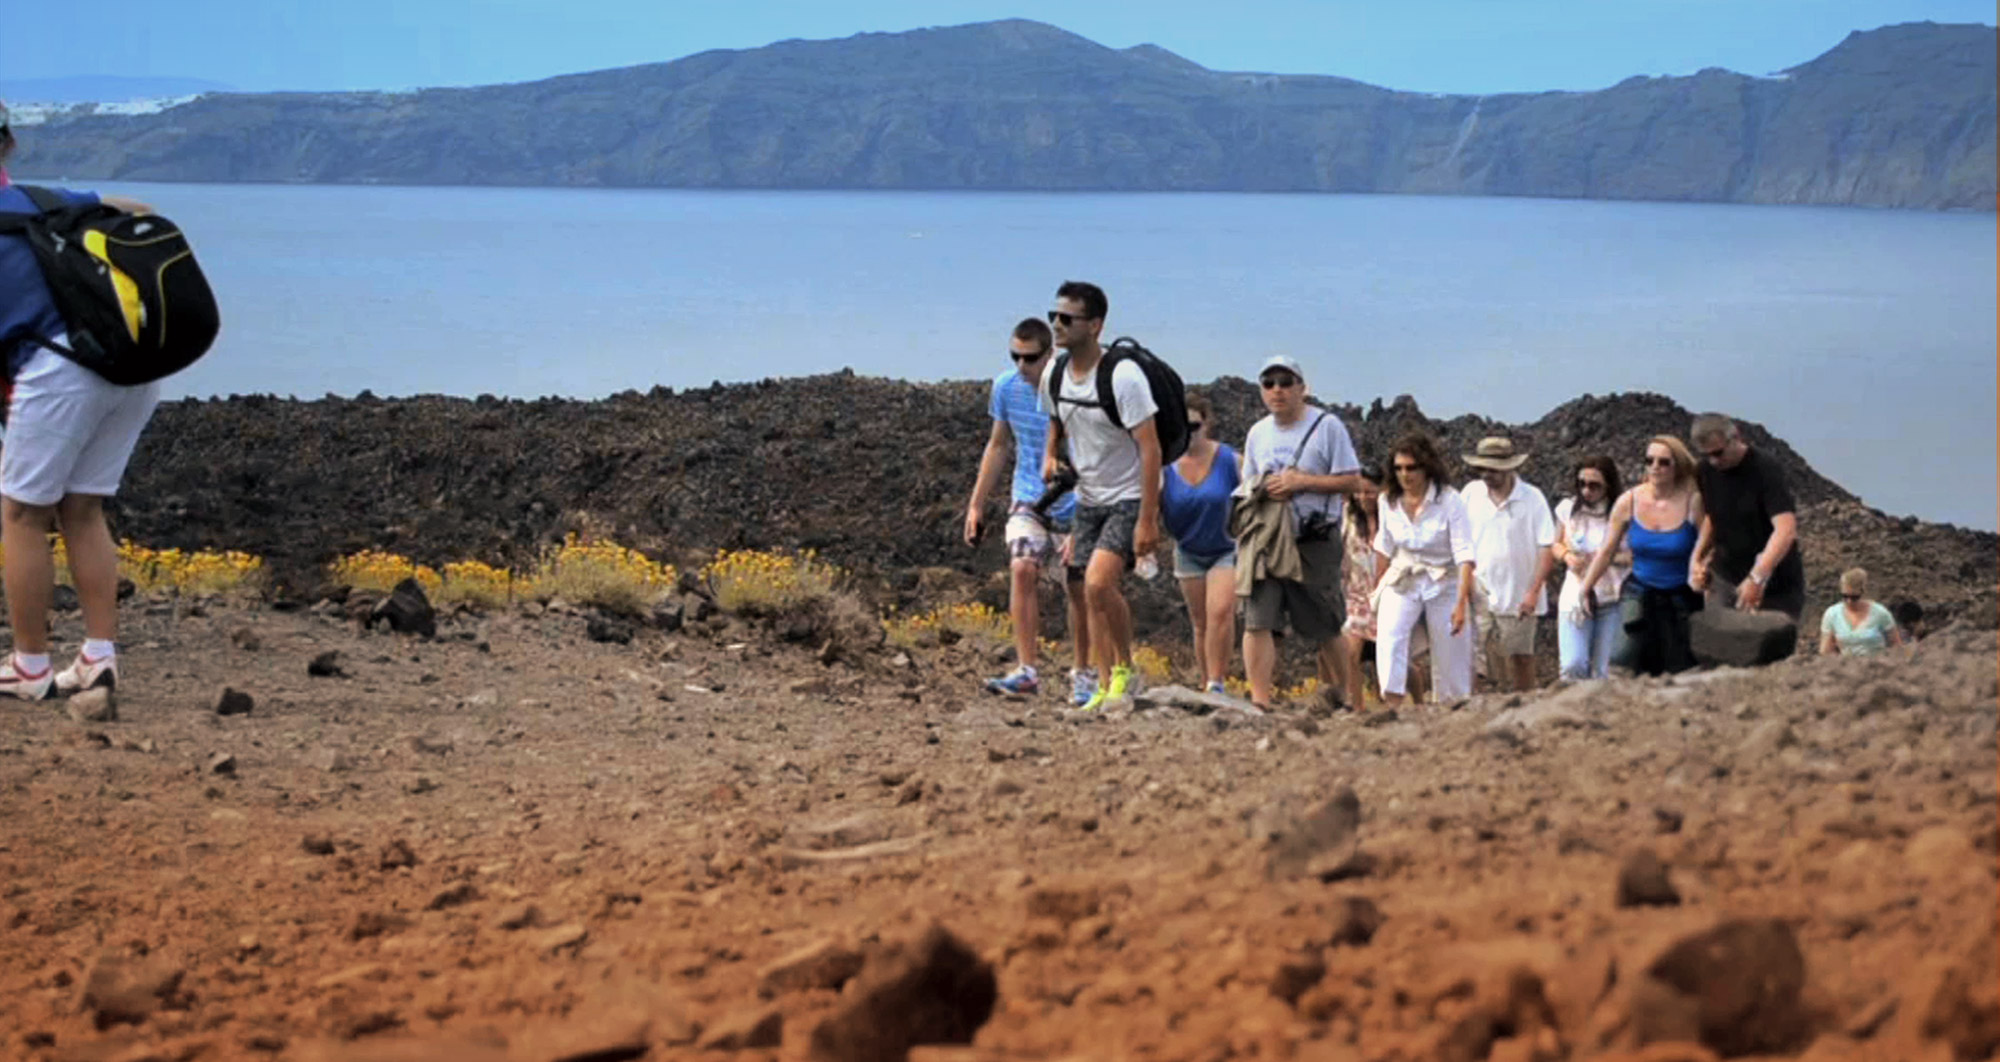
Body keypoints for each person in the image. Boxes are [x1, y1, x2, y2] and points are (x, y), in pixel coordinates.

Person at [0, 104, 161, 699]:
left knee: (21, 517)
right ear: (9, 146)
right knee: (83, 510)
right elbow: (142, 212)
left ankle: (30, 667)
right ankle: (97, 657)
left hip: (57, 373)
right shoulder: (51, 201)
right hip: (127, 367)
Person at [1039, 280, 1160, 711]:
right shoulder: (1055, 372)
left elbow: (1150, 446)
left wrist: (1148, 519)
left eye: (1067, 318)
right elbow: (1055, 418)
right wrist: (1050, 456)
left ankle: (1124, 668)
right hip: (1087, 500)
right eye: (1055, 315)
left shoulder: (1123, 378)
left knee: (1097, 583)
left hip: (1126, 497)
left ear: (1094, 325)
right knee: (1090, 592)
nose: (1056, 324)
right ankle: (1105, 683)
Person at [965, 317, 1092, 703]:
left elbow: (1094, 454)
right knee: (1022, 567)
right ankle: (1027, 669)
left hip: (1078, 499)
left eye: (1031, 358)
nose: (1022, 366)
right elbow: (999, 445)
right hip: (1029, 494)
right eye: (1015, 357)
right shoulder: (1006, 388)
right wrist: (976, 504)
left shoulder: (1075, 392)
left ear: (1049, 354)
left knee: (1079, 587)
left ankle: (1083, 674)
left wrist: (1084, 519)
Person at [1234, 355, 1364, 710]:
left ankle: (1347, 699)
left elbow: (1353, 479)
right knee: (1258, 619)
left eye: (1285, 382)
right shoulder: (1258, 433)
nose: (1277, 390)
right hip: (1267, 537)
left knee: (1324, 623)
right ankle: (1259, 702)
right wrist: (1263, 489)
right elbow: (1247, 483)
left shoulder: (1327, 427)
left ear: (1302, 388)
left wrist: (1302, 482)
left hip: (1313, 540)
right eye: (1269, 383)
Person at [1579, 437, 1704, 676]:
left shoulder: (1692, 501)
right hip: (1640, 589)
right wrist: (1586, 587)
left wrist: (1702, 569)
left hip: (1681, 594)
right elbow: (1607, 550)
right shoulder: (1629, 501)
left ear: (1677, 466)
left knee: (1681, 667)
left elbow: (1707, 540)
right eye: (1649, 461)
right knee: (1622, 661)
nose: (1655, 467)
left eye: (1664, 462)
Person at [1371, 431, 1476, 704]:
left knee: (1451, 647)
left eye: (1411, 468)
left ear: (1426, 467)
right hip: (1404, 575)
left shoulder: (1450, 500)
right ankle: (1391, 702)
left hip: (1444, 578)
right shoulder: (1387, 501)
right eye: (1398, 468)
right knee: (1389, 635)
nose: (1405, 475)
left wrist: (1462, 602)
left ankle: (1453, 706)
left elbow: (1464, 553)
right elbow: (1383, 547)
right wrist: (1376, 589)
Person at [1461, 437, 1556, 693]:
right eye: (1482, 468)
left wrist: (1533, 592)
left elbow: (1546, 546)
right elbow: (1460, 541)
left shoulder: (1533, 498)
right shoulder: (1470, 493)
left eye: (1492, 469)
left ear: (1508, 467)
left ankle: (1525, 707)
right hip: (1479, 591)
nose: (1486, 475)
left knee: (1520, 658)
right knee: (1471, 658)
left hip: (1518, 595)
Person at [1159, 393, 1239, 694]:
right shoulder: (1165, 466)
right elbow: (1150, 505)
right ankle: (1206, 681)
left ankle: (1217, 682)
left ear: (1207, 424)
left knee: (1220, 611)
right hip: (1188, 550)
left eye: (1194, 425)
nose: (1188, 432)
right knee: (1201, 622)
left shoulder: (1230, 460)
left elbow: (1256, 497)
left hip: (1226, 548)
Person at [1689, 414, 1804, 621]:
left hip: (1775, 584)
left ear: (1736, 438)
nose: (1714, 461)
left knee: (1771, 649)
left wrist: (1758, 577)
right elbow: (1712, 517)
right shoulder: (1705, 471)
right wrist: (1697, 559)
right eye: (1707, 455)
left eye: (1719, 453)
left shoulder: (1765, 469)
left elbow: (1785, 529)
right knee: (1719, 647)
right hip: (1725, 577)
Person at [1551, 456, 1628, 680]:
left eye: (1594, 485)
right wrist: (1566, 556)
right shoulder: (1567, 509)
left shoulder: (1622, 512)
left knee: (1605, 670)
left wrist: (1605, 558)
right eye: (1582, 484)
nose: (1587, 491)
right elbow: (1555, 544)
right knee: (1573, 665)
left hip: (1612, 597)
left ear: (1609, 485)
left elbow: (1635, 555)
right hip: (1575, 596)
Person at [1335, 464, 1386, 710]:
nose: (1365, 498)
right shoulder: (1347, 517)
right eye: (1361, 492)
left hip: (1385, 595)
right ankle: (1357, 707)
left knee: (1390, 661)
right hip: (1355, 595)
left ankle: (1395, 703)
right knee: (1351, 652)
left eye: (1371, 492)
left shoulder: (1392, 518)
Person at [1820, 568, 1902, 657]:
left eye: (1854, 597)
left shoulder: (1880, 613)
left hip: (1877, 666)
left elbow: (1897, 647)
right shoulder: (1832, 614)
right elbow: (1826, 651)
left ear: (1863, 593)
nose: (1849, 601)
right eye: (1845, 596)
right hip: (1846, 667)